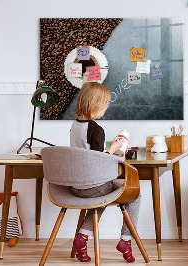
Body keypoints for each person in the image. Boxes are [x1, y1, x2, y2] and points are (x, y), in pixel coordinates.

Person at [70, 82, 140, 263]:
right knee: (135, 194)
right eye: (105, 105)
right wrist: (115, 148)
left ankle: (82, 238)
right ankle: (126, 240)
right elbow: (98, 161)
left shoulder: (75, 125)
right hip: (93, 186)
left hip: (76, 186)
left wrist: (109, 149)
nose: (106, 109)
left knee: (100, 197)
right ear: (96, 105)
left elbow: (87, 154)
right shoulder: (96, 129)